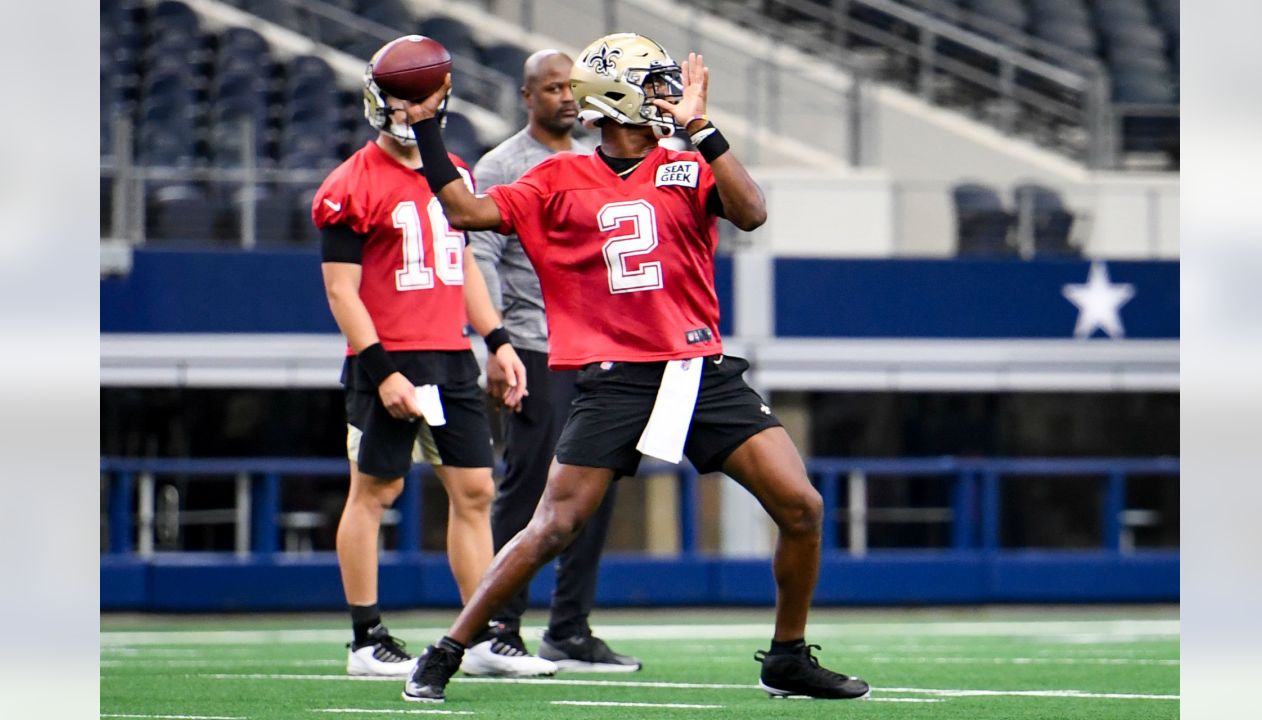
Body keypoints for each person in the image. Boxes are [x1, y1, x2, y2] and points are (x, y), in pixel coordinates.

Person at [400, 33, 872, 702]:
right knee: (554, 526)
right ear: (616, 95)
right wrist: (428, 135)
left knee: (801, 506)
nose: (666, 96)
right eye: (652, 85)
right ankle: (448, 648)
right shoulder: (555, 177)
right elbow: (464, 210)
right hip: (616, 375)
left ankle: (787, 656)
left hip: (698, 368)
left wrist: (703, 128)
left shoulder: (686, 164)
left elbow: (753, 211)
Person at [314, 36, 550, 679]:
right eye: (399, 96)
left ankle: (477, 638)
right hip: (390, 355)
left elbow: (465, 268)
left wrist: (497, 341)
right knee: (376, 490)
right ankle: (366, 639)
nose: (408, 109)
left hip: (451, 357)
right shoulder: (350, 183)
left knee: (475, 491)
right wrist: (382, 368)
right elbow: (341, 290)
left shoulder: (457, 176)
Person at [460, 49, 640, 677]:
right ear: (526, 95)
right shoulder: (503, 164)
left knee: (596, 489)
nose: (567, 97)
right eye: (553, 87)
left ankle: (569, 629)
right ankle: (498, 627)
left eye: (573, 87)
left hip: (599, 347)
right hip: (535, 344)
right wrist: (497, 341)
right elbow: (478, 257)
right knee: (527, 486)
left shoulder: (599, 155)